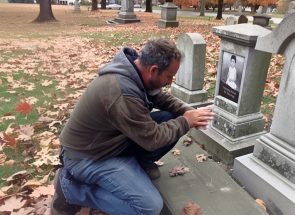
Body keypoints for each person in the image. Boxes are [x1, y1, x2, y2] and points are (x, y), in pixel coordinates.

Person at [51, 39, 215, 215]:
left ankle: (139, 164)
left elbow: (161, 98)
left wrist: (186, 111)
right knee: (149, 207)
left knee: (168, 117)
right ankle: (70, 188)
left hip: (109, 143)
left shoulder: (136, 72)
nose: (170, 82)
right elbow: (152, 139)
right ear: (153, 70)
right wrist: (186, 121)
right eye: (169, 76)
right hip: (87, 158)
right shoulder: (122, 92)